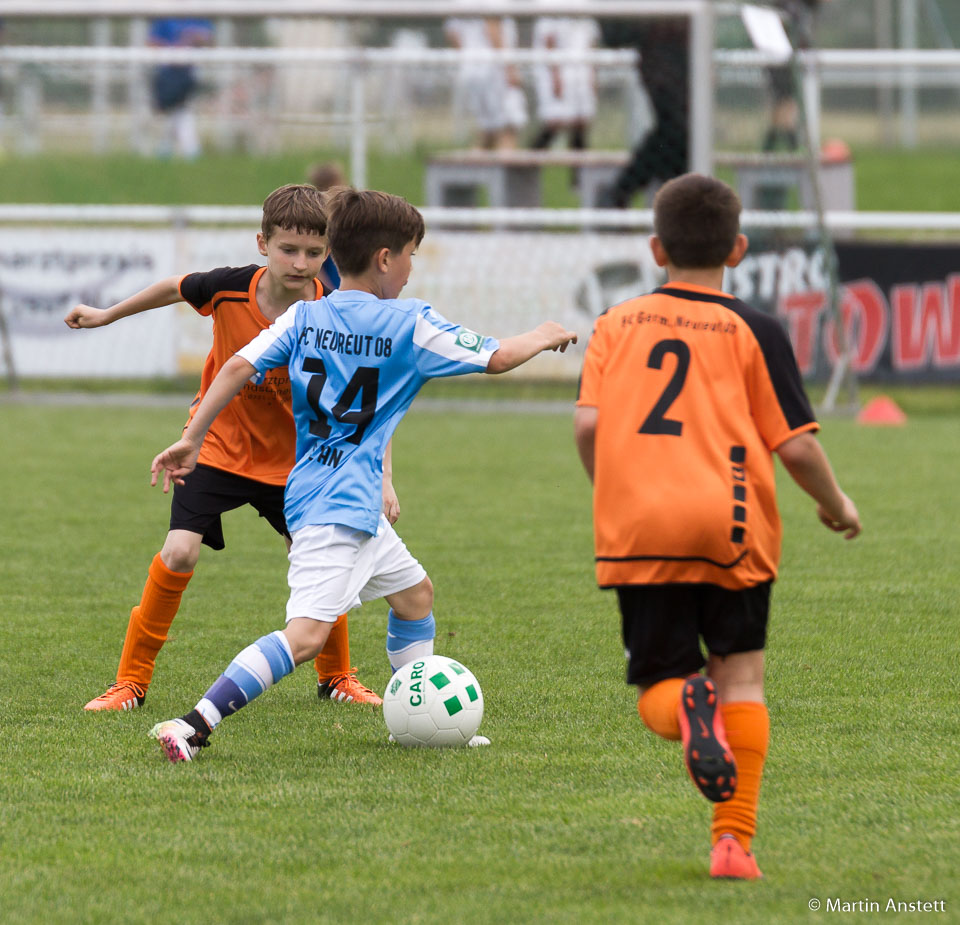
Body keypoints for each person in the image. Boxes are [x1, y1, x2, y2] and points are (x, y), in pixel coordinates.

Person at [148, 187, 578, 762]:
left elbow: (236, 366)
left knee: (415, 597)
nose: (410, 269)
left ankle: (417, 721)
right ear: (384, 258)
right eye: (410, 256)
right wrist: (544, 334)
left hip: (326, 492)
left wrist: (192, 437)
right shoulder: (410, 322)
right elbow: (497, 356)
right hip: (335, 508)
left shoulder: (305, 314)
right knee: (305, 637)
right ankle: (192, 725)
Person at [573, 173, 861, 879]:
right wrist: (837, 503)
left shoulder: (614, 323)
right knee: (744, 681)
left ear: (656, 248)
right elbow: (796, 446)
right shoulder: (757, 330)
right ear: (738, 249)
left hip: (642, 525)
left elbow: (587, 427)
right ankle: (733, 845)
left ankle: (686, 704)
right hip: (733, 524)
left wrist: (616, 490)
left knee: (660, 688)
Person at [65, 184, 385, 712]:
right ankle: (130, 684)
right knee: (179, 551)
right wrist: (107, 314)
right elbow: (173, 287)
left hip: (294, 462)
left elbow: (366, 397)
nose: (299, 263)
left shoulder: (334, 312)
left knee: (316, 562)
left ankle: (337, 678)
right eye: (288, 249)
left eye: (313, 252)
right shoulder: (229, 288)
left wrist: (380, 475)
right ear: (263, 244)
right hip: (215, 446)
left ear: (328, 252)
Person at [598, 16, 689, 207]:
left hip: (679, 56)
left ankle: (624, 192)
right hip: (662, 57)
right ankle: (620, 191)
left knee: (679, 133)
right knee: (676, 127)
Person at [444, 14, 527, 150]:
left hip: (471, 68)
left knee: (488, 132)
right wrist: (510, 68)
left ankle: (472, 164)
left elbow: (452, 34)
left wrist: (467, 59)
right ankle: (506, 164)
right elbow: (492, 28)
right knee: (508, 130)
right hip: (495, 69)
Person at [529, 13, 600, 156]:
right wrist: (555, 75)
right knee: (555, 122)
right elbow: (548, 38)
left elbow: (591, 39)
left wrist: (592, 73)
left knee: (581, 123)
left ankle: (580, 167)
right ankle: (530, 160)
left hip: (581, 69)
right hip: (562, 70)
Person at [148, 16, 214, 159]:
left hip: (189, 71)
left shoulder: (198, 13)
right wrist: (172, 49)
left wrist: (193, 37)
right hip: (167, 72)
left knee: (179, 108)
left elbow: (208, 38)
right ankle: (183, 149)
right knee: (177, 109)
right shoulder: (164, 16)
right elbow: (152, 42)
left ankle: (175, 149)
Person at [306, 160, 347, 290]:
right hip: (333, 289)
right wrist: (329, 290)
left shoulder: (342, 215)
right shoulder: (322, 220)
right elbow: (316, 265)